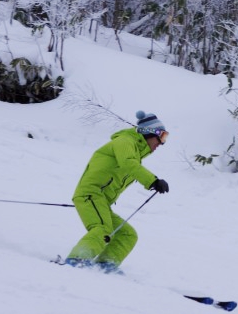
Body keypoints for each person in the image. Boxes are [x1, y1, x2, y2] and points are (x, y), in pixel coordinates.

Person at [64, 110, 170, 273]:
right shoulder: (125, 141)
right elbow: (128, 164)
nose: (162, 143)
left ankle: (105, 265)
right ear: (149, 132)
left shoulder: (135, 151)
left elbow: (131, 164)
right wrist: (153, 181)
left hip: (101, 201)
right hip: (91, 194)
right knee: (102, 230)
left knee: (127, 235)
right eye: (161, 137)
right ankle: (77, 261)